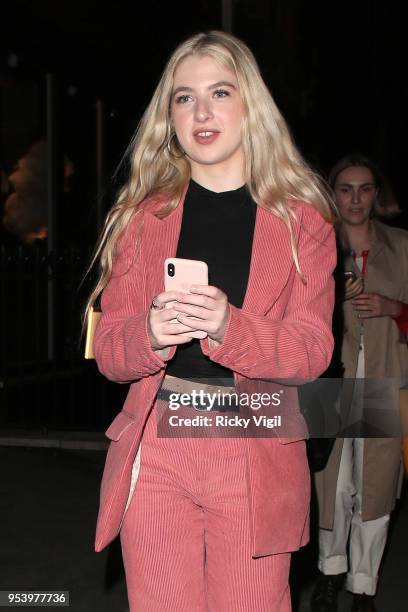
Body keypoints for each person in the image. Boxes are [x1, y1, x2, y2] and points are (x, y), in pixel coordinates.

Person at [87, 30, 336, 611]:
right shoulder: (143, 216)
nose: (201, 111)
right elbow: (111, 350)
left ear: (250, 104)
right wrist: (148, 335)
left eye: (220, 92)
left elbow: (312, 350)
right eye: (183, 97)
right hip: (159, 444)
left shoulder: (302, 220)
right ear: (168, 116)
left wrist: (231, 328)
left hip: (254, 444)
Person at [312, 153, 408, 612]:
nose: (354, 198)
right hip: (328, 374)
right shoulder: (314, 241)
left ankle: (363, 584)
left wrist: (395, 308)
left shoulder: (403, 245)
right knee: (331, 482)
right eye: (345, 188)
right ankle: (329, 575)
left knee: (374, 486)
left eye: (364, 188)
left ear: (377, 194)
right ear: (333, 193)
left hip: (381, 375)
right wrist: (330, 294)